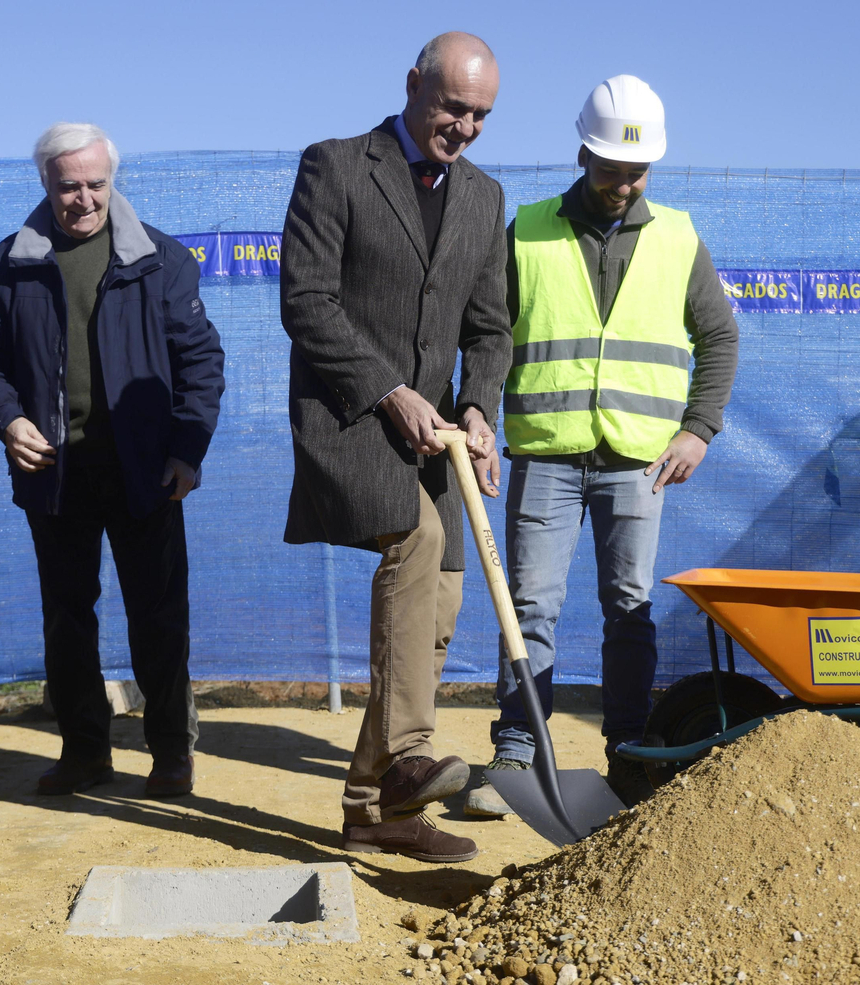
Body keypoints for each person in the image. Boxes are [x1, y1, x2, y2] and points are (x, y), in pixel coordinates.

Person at [464, 75, 739, 816]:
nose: (625, 184)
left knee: (630, 606)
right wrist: (478, 415)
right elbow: (489, 335)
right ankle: (517, 749)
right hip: (544, 455)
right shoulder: (526, 231)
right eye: (613, 169)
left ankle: (627, 751)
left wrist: (698, 428)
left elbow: (719, 336)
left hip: (638, 461)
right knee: (528, 607)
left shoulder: (677, 237)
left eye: (638, 171)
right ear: (583, 154)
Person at [281, 33, 512, 863]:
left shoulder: (484, 197)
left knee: (438, 600)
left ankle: (372, 805)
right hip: (350, 416)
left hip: (434, 434)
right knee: (419, 540)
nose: (466, 127)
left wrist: (477, 407)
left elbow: (490, 329)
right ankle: (410, 755)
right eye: (453, 107)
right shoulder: (337, 166)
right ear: (413, 84)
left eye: (481, 115)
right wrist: (390, 390)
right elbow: (306, 302)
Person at [0, 123, 224, 799]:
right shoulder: (8, 264)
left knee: (159, 617)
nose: (83, 199)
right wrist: (9, 420)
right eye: (69, 186)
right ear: (45, 183)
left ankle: (171, 752)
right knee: (67, 618)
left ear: (113, 180)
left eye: (96, 184)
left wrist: (187, 451)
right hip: (54, 476)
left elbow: (200, 361)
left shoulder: (162, 259)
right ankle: (84, 752)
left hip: (147, 473)